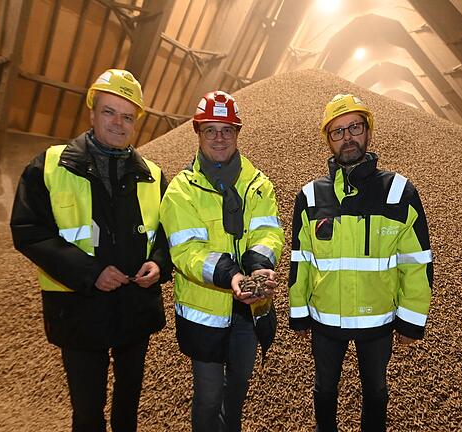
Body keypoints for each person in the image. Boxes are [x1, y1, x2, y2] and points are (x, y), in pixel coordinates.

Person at [10, 68, 172, 432]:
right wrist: (89, 272)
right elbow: (28, 231)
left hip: (134, 308)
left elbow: (169, 233)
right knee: (87, 411)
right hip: (79, 309)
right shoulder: (50, 166)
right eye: (109, 111)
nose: (118, 123)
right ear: (92, 113)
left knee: (128, 406)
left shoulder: (153, 175)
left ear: (136, 123)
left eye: (127, 116)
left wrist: (159, 264)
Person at [288, 94, 433, 431]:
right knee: (324, 390)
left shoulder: (399, 192)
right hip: (326, 320)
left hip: (377, 321)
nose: (347, 137)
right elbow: (301, 259)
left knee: (377, 393)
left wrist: (411, 323)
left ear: (369, 132)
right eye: (337, 131)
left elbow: (416, 262)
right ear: (328, 140)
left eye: (354, 127)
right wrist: (298, 315)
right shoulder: (310, 196)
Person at [159, 90, 285, 432]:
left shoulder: (259, 185)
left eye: (227, 130)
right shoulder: (181, 191)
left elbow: (269, 232)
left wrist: (259, 265)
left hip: (249, 310)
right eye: (210, 130)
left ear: (237, 133)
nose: (219, 137)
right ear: (198, 133)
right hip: (207, 313)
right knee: (209, 396)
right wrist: (231, 276)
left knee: (238, 389)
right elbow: (187, 252)